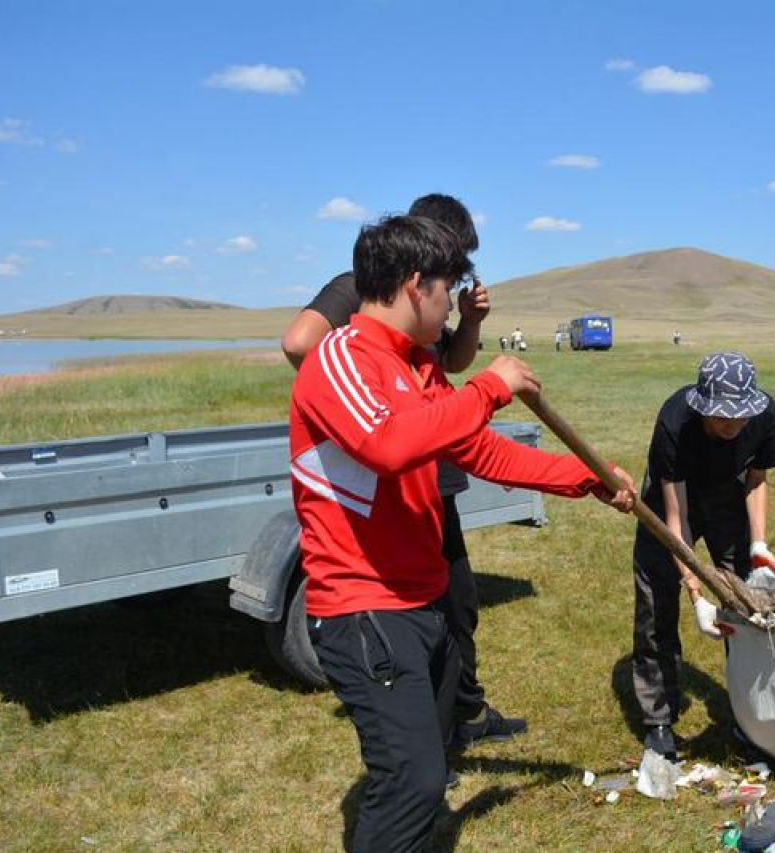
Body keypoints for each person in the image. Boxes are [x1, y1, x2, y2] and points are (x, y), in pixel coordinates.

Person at [290, 214, 634, 852]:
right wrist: (487, 386)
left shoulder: (417, 367)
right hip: (366, 607)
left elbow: (481, 453)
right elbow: (388, 447)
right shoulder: (339, 358)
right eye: (449, 287)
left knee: (429, 767)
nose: (453, 302)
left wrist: (585, 477)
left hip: (424, 599)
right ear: (417, 284)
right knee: (414, 781)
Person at [282, 194, 526, 751]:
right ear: (421, 268)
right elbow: (303, 345)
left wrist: (470, 322)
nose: (460, 272)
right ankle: (425, 743)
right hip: (391, 470)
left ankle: (455, 716)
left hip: (431, 463)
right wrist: (357, 394)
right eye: (454, 262)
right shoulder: (364, 293)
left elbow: (449, 369)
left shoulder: (424, 329)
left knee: (453, 602)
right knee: (414, 609)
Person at [631, 351, 775, 760]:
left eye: (740, 417)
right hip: (670, 500)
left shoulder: (765, 415)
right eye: (721, 418)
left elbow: (756, 480)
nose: (733, 425)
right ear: (702, 408)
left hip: (725, 496)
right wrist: (696, 594)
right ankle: (659, 718)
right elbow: (675, 519)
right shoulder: (675, 423)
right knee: (655, 601)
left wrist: (758, 545)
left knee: (746, 602)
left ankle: (749, 714)